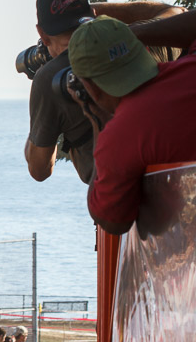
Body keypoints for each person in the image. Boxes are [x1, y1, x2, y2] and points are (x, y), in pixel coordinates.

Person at [24, 0, 185, 184]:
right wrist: (93, 12)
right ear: (93, 13)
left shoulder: (50, 78)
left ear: (42, 34)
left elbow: (40, 170)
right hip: (178, 176)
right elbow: (176, 11)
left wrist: (38, 123)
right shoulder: (139, 41)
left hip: (117, 191)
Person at [67, 14, 196, 234]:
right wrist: (133, 32)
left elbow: (112, 221)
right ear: (142, 50)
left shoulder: (120, 137)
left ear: (90, 87)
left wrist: (99, 124)